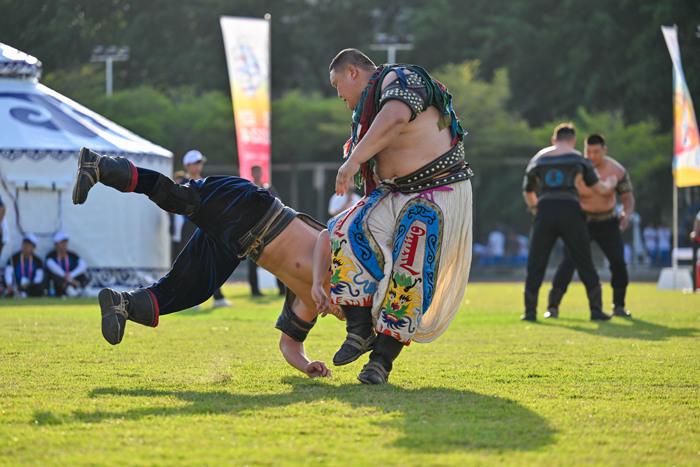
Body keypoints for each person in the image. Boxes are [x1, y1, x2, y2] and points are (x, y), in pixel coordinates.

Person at [73, 147, 340, 378]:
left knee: (192, 288)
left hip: (236, 244)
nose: (338, 315)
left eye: (343, 320)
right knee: (178, 197)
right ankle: (100, 165)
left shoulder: (310, 303)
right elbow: (326, 236)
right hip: (252, 206)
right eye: (347, 313)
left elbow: (289, 344)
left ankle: (123, 304)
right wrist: (318, 282)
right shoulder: (340, 265)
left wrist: (306, 365)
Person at [328, 48, 474, 384]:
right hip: (395, 191)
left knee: (410, 270)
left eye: (339, 88)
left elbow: (395, 119)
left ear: (353, 73)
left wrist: (352, 163)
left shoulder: (402, 77)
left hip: (436, 191)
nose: (341, 98)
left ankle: (381, 360)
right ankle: (360, 328)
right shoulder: (366, 111)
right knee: (346, 229)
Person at [522, 123, 617, 321]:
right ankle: (596, 310)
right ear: (573, 140)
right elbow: (598, 188)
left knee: (536, 262)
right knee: (583, 260)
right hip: (571, 210)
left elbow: (528, 190)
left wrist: (535, 209)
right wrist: (610, 184)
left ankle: (530, 312)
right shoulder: (578, 158)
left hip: (545, 210)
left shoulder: (539, 158)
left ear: (554, 139)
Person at [547, 134, 635, 318]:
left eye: (596, 152)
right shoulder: (576, 167)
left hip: (608, 221)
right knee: (568, 262)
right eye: (589, 151)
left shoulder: (617, 170)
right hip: (581, 221)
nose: (592, 156)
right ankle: (553, 306)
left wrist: (627, 213)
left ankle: (618, 306)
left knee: (618, 262)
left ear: (604, 150)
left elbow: (627, 197)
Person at [181, 150, 230, 308]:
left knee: (211, 261)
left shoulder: (205, 182)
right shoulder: (182, 184)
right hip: (189, 226)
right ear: (187, 165)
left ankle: (218, 297)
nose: (199, 166)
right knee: (193, 263)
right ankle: (191, 299)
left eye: (200, 163)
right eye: (196, 163)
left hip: (207, 226)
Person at [247, 165, 286, 297]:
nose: (257, 174)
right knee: (253, 260)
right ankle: (255, 290)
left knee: (276, 258)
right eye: (255, 172)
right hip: (254, 230)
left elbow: (278, 203)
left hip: (268, 229)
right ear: (252, 173)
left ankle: (281, 288)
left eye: (259, 172)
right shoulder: (249, 188)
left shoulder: (268, 187)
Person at [45, 231, 89, 297]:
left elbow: (83, 265)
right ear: (56, 244)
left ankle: (79, 290)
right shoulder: (50, 256)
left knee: (83, 276)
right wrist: (68, 278)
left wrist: (71, 276)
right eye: (62, 243)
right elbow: (52, 267)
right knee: (55, 277)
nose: (64, 244)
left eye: (65, 242)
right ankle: (68, 291)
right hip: (62, 281)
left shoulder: (72, 255)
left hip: (72, 278)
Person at [5, 233, 44, 297]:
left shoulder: (38, 261)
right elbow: (8, 273)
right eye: (24, 244)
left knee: (39, 288)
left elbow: (38, 278)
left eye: (28, 245)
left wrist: (29, 285)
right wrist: (9, 284)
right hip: (16, 285)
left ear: (34, 248)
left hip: (31, 286)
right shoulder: (14, 258)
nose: (25, 246)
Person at [691, 209, 700, 292]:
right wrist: (695, 232)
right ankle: (694, 286)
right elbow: (697, 222)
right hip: (697, 239)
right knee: (694, 263)